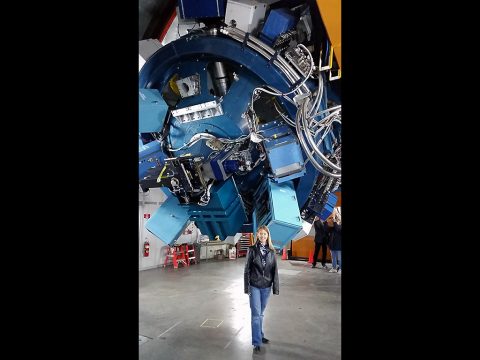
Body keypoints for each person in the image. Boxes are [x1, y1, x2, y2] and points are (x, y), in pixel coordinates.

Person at [244, 225, 279, 354]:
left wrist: (275, 287)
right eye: (260, 234)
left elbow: (274, 270)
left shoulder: (272, 251)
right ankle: (256, 341)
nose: (263, 236)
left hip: (266, 287)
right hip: (254, 286)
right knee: (255, 315)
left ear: (268, 236)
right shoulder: (252, 250)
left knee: (261, 313)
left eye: (265, 234)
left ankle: (260, 334)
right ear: (257, 235)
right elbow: (247, 269)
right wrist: (246, 287)